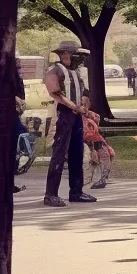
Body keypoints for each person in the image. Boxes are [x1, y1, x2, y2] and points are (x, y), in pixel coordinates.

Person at [43, 40, 97, 207]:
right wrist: (76, 107)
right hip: (62, 115)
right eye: (76, 56)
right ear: (65, 54)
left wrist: (84, 106)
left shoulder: (76, 72)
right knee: (59, 154)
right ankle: (50, 194)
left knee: (77, 153)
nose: (79, 60)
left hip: (76, 117)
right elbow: (56, 93)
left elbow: (84, 91)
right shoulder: (55, 70)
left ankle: (76, 191)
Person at [82, 101, 115, 189]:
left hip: (96, 139)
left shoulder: (93, 116)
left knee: (107, 154)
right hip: (85, 141)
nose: (83, 106)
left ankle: (102, 179)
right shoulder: (76, 117)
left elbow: (95, 131)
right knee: (89, 159)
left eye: (85, 104)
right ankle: (86, 180)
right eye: (82, 104)